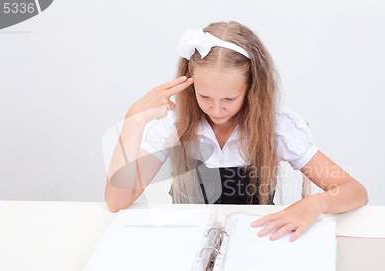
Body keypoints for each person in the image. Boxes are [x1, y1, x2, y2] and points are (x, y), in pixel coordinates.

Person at [105, 21, 368, 242]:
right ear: (188, 84)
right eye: (205, 96)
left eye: (229, 99)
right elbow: (117, 200)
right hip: (188, 244)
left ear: (252, 89)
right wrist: (134, 120)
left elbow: (354, 190)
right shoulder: (174, 124)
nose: (216, 110)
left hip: (254, 244)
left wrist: (316, 203)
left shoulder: (276, 127)